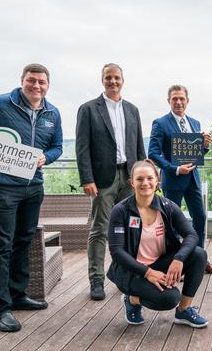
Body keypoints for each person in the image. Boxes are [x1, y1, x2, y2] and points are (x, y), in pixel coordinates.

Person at [0, 63, 63, 332]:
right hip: (2, 187)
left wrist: (46, 157)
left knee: (23, 241)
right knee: (1, 245)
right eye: (32, 81)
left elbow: (58, 146)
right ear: (22, 81)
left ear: (48, 85)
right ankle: (1, 309)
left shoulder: (52, 112)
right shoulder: (0, 104)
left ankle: (18, 296)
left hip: (33, 187)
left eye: (42, 82)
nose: (37, 86)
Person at [107, 159, 208, 327]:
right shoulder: (121, 211)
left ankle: (183, 311)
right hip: (131, 271)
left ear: (157, 181)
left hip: (159, 263)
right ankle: (131, 299)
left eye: (149, 178)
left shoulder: (167, 206)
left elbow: (191, 234)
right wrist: (147, 272)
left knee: (199, 254)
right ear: (132, 182)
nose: (145, 183)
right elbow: (117, 252)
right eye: (139, 179)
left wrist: (179, 259)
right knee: (170, 298)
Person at [76, 63, 146, 300]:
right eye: (108, 78)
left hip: (129, 178)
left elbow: (138, 146)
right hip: (102, 179)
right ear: (102, 80)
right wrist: (87, 178)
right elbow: (82, 148)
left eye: (116, 78)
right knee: (99, 230)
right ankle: (96, 279)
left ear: (123, 81)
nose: (113, 81)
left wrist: (142, 174)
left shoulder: (132, 109)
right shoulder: (88, 109)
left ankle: (124, 274)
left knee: (129, 228)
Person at [148, 85, 212, 274]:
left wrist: (205, 146)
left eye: (182, 98)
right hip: (173, 181)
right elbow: (153, 153)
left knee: (200, 218)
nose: (179, 102)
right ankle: (175, 265)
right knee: (172, 224)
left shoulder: (195, 123)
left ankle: (199, 260)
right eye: (175, 99)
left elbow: (197, 153)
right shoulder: (160, 123)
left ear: (187, 101)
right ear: (169, 101)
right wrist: (174, 169)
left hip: (193, 180)